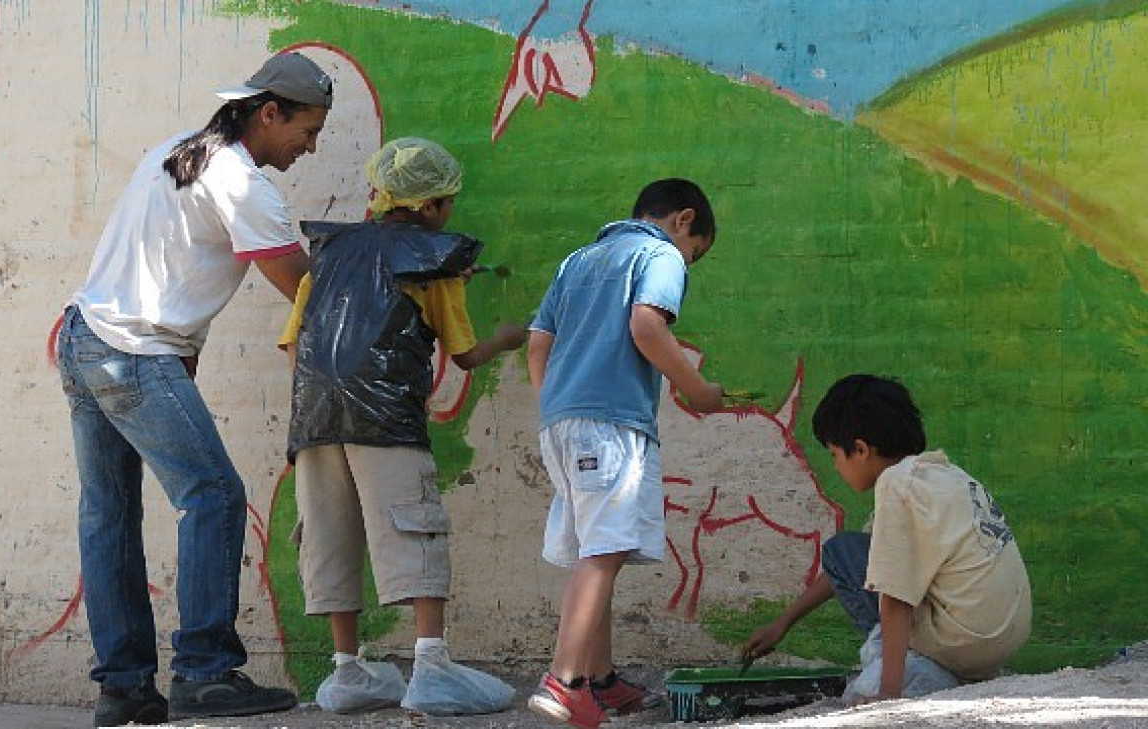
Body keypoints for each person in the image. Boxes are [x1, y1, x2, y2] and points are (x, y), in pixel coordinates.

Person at [56, 51, 332, 727]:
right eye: (308, 128)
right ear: (270, 112)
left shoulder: (179, 150)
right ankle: (206, 671)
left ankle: (123, 688)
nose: (311, 146)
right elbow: (304, 291)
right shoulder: (242, 183)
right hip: (133, 351)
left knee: (109, 514)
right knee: (213, 494)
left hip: (86, 337)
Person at [279, 137, 524, 716]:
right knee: (412, 529)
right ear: (433, 205)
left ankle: (347, 673)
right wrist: (512, 337)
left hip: (314, 415)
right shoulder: (435, 260)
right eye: (450, 202)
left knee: (328, 534)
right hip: (386, 417)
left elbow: (295, 343)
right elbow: (463, 354)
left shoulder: (330, 252)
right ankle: (432, 666)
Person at [525, 179, 725, 729]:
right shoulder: (659, 253)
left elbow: (538, 343)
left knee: (596, 548)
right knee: (606, 553)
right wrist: (697, 387)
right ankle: (564, 681)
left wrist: (558, 405)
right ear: (684, 221)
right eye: (696, 253)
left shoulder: (578, 259)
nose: (689, 263)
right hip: (611, 422)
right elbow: (646, 324)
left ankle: (601, 680)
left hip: (560, 422)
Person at [741, 374, 1032, 703]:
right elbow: (854, 567)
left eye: (835, 455)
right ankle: (940, 672)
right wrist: (783, 623)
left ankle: (899, 668)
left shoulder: (896, 485)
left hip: (960, 644)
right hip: (995, 645)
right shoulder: (941, 473)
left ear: (861, 450)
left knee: (840, 552)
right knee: (846, 553)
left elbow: (894, 596)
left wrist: (888, 695)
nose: (835, 467)